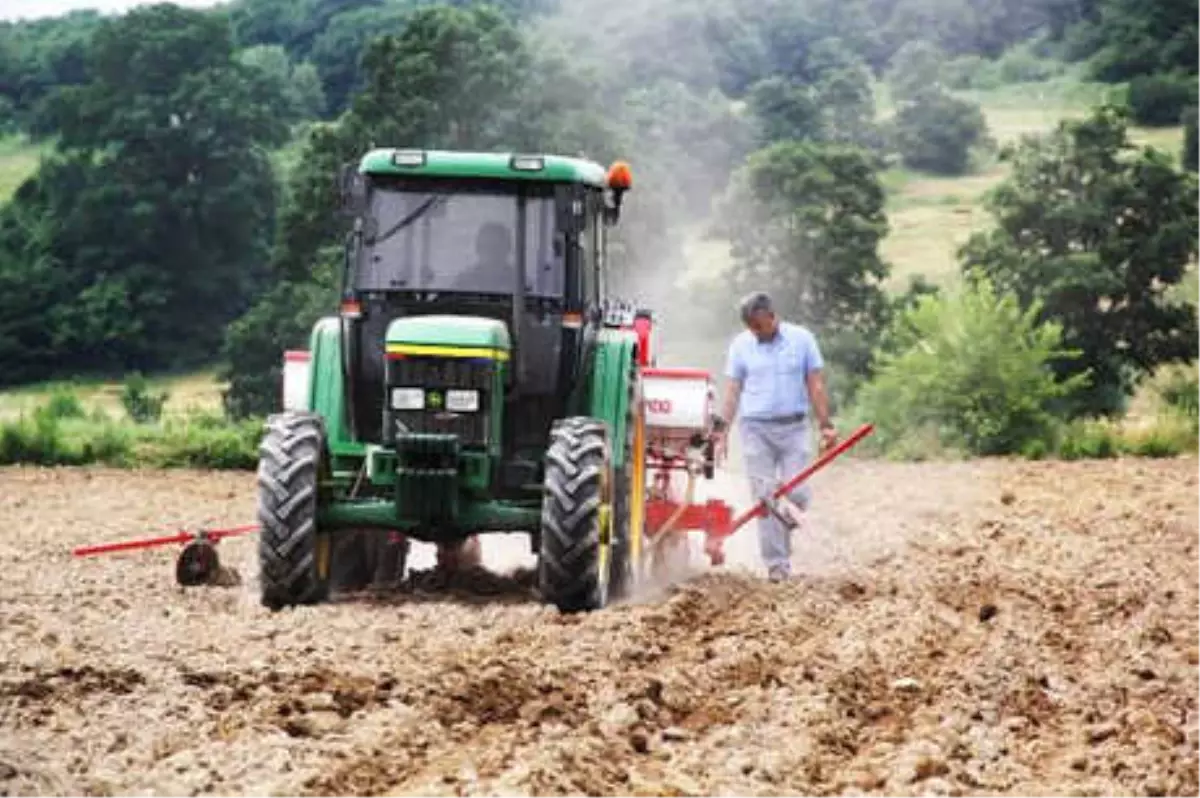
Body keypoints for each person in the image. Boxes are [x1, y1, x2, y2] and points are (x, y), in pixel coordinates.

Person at [712, 291, 837, 582]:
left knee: (796, 492)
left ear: (772, 316)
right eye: (750, 327)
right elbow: (732, 392)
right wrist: (722, 434)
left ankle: (790, 516)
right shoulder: (740, 346)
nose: (755, 332)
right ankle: (777, 567)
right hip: (755, 430)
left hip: (794, 428)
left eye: (759, 325)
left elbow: (815, 385)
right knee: (765, 501)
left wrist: (826, 425)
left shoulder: (803, 339)